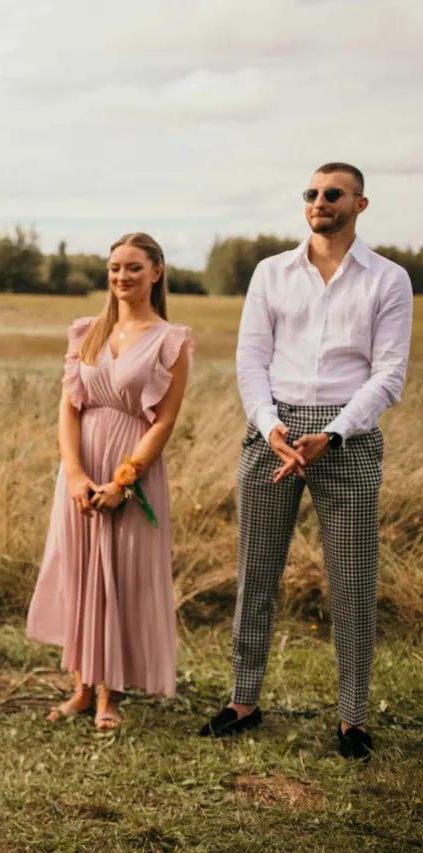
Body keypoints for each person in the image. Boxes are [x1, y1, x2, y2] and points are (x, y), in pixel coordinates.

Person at [201, 163, 413, 760]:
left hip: (347, 438)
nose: (319, 201)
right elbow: (251, 361)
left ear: (360, 205)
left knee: (351, 582)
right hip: (273, 433)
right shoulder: (271, 272)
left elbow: (389, 374)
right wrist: (270, 428)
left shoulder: (388, 279)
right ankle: (243, 700)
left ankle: (353, 717)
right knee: (256, 573)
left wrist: (336, 433)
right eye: (312, 193)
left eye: (332, 194)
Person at [26, 233, 193, 730]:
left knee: (123, 575)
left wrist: (125, 480)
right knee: (81, 571)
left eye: (134, 268)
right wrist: (74, 472)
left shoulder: (171, 340)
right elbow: (68, 406)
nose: (122, 276)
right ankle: (81, 687)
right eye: (115, 267)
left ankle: (112, 695)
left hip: (133, 469)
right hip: (80, 466)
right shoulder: (87, 333)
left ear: (157, 272)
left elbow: (163, 421)